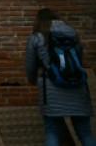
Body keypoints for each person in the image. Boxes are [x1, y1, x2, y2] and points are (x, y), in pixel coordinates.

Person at [24, 8, 96, 146]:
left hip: (51, 88)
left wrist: (33, 80)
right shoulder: (73, 35)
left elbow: (30, 65)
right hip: (78, 88)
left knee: (52, 132)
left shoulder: (37, 37)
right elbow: (79, 60)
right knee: (85, 132)